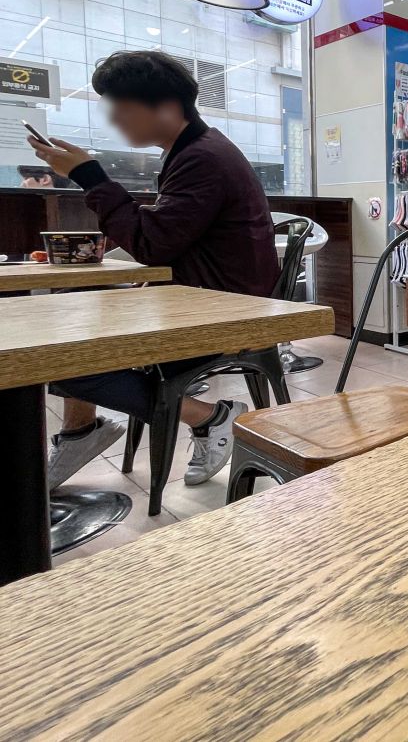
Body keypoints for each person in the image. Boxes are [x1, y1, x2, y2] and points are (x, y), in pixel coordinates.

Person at [26, 50, 280, 488]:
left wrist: (90, 176)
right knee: (63, 318)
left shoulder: (202, 157)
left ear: (166, 105)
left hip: (225, 307)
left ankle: (210, 416)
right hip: (202, 294)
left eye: (123, 111)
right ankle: (80, 431)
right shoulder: (193, 151)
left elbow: (151, 243)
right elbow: (168, 239)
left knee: (59, 354)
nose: (116, 122)